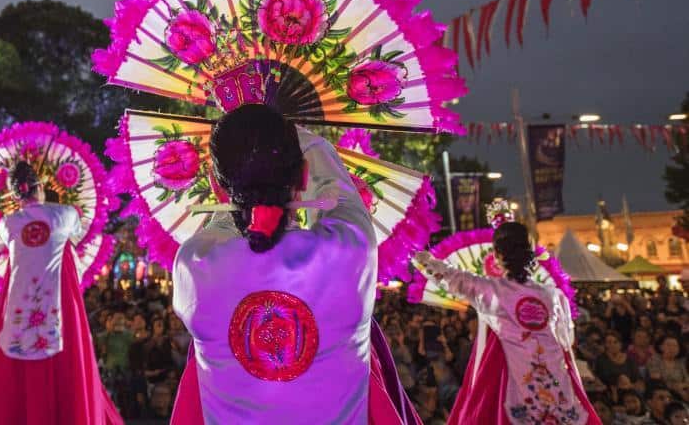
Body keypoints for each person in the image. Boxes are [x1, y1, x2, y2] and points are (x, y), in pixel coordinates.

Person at [170, 104, 420, 424]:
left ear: (217, 187)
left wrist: (245, 177)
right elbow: (340, 193)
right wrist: (299, 133)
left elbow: (221, 229)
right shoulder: (348, 251)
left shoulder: (195, 265)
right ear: (303, 175)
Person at [0, 161, 122, 425]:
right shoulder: (66, 214)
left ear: (15, 196)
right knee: (65, 368)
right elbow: (75, 238)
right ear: (40, 186)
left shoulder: (8, 223)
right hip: (59, 306)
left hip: (21, 310)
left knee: (22, 369)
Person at [415, 221, 600, 424]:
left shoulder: (491, 291)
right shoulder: (553, 296)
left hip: (506, 380)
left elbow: (450, 277)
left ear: (497, 255)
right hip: (555, 378)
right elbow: (566, 340)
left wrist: (421, 257)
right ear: (531, 253)